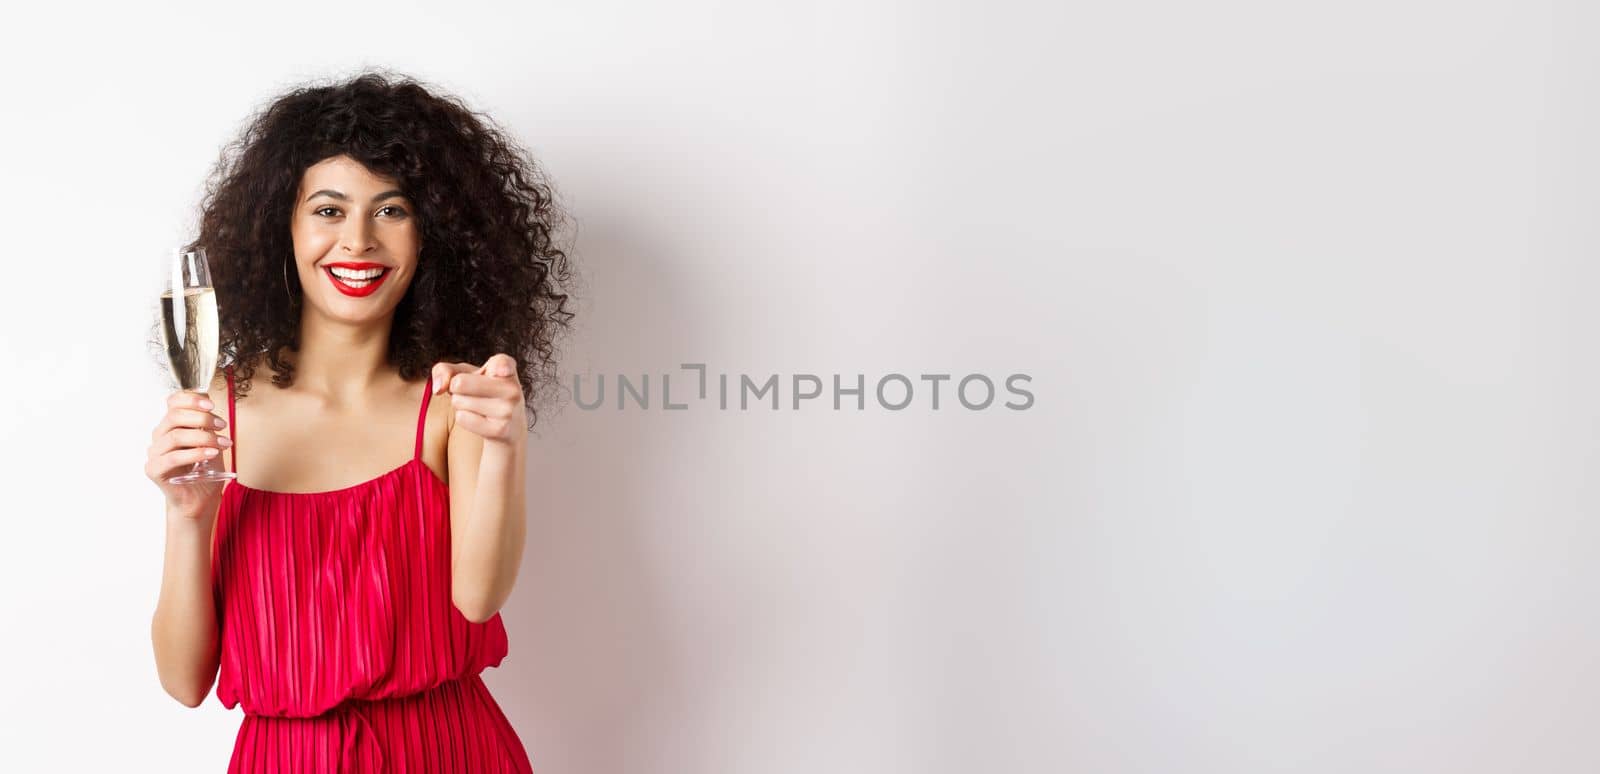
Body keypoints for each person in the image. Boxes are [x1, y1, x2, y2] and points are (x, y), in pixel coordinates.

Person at [144, 70, 574, 772]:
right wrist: (187, 515)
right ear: (281, 223)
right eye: (328, 210)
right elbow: (183, 681)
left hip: (449, 753)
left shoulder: (454, 402)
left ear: (432, 234)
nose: (359, 242)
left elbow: (479, 598)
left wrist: (504, 445)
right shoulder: (216, 408)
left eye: (393, 210)